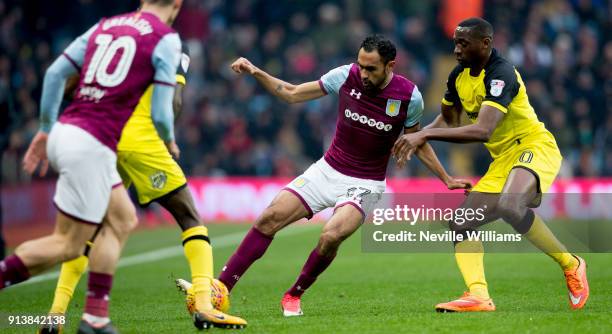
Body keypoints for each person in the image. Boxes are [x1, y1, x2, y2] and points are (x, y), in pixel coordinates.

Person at [178, 34, 471, 317]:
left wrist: (446, 178)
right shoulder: (345, 76)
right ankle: (221, 288)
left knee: (330, 235)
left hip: (366, 184)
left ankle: (294, 294)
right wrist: (256, 72)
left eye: (371, 68)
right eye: (361, 65)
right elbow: (292, 94)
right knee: (269, 218)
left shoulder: (409, 96)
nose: (364, 73)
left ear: (390, 66)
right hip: (327, 170)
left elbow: (415, 141)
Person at [0, 1, 183, 333]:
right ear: (177, 4)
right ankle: (89, 316)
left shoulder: (105, 25)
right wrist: (169, 140)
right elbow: (160, 112)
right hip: (92, 144)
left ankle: (95, 317)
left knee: (123, 218)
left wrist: (45, 127)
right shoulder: (166, 38)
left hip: (66, 131)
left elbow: (56, 73)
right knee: (67, 244)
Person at [38, 43, 246, 334]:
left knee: (88, 229)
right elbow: (173, 101)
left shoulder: (111, 35)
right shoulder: (171, 43)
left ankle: (55, 315)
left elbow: (67, 81)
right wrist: (166, 137)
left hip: (100, 135)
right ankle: (204, 305)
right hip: (139, 138)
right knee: (188, 215)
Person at [392, 17, 589, 312]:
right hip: (503, 159)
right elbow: (448, 118)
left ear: (485, 43)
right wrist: (418, 138)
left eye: (463, 43)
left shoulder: (502, 73)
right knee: (460, 223)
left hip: (533, 145)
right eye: (455, 43)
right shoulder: (457, 77)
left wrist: (426, 133)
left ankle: (571, 264)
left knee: (511, 205)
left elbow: (482, 130)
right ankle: (479, 296)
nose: (457, 49)